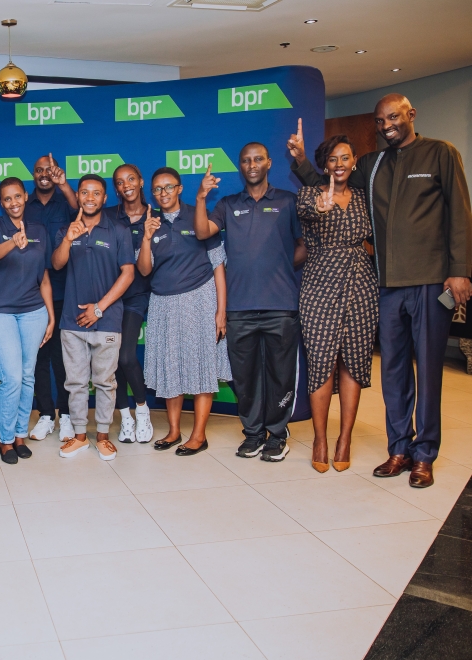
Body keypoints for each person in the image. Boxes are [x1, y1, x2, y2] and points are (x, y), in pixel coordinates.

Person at [289, 94, 472, 488]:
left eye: (393, 116)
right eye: (379, 120)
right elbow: (329, 186)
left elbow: (460, 213)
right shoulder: (371, 165)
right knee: (392, 372)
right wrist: (303, 161)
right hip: (385, 285)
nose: (386, 124)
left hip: (429, 280)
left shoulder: (441, 153)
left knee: (428, 371)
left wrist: (460, 272)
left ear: (411, 114)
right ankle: (399, 448)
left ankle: (425, 454)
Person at [193, 144, 307, 463]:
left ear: (269, 163)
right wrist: (201, 197)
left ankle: (278, 435)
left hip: (280, 306)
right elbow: (203, 231)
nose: (252, 164)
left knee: (279, 374)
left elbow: (304, 245)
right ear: (240, 167)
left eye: (258, 159)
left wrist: (282, 265)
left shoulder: (287, 201)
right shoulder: (229, 204)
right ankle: (254, 434)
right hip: (239, 308)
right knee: (243, 376)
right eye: (246, 161)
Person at [295, 135, 379, 473]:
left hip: (361, 285)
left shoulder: (364, 197)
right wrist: (320, 206)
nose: (339, 164)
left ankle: (344, 437)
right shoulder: (310, 194)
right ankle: (320, 438)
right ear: (324, 165)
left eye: (345, 158)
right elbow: (304, 210)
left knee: (354, 362)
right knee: (321, 362)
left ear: (354, 161)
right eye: (333, 159)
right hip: (319, 286)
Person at [138, 167, 231, 456]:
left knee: (202, 367)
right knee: (169, 369)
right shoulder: (150, 224)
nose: (163, 193)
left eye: (169, 187)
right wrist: (145, 237)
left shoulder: (198, 215)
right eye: (157, 189)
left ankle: (199, 435)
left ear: (180, 189)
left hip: (200, 300)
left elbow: (218, 265)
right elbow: (143, 270)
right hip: (163, 302)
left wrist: (221, 311)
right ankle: (175, 431)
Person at [52, 175, 134, 461]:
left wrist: (98, 308)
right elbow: (57, 264)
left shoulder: (119, 230)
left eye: (96, 193)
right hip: (72, 323)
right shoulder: (68, 228)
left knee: (104, 381)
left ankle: (102, 436)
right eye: (84, 192)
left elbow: (129, 273)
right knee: (74, 382)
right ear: (78, 195)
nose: (89, 197)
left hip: (107, 319)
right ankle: (78, 436)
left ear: (104, 198)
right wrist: (68, 239)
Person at [0, 177, 55, 464]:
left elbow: (44, 276)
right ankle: (6, 439)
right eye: (7, 199)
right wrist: (11, 241)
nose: (13, 202)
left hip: (33, 311)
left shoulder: (39, 230)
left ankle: (20, 434)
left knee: (28, 375)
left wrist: (50, 315)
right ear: (1, 202)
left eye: (17, 196)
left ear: (25, 196)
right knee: (12, 377)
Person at [25, 154, 79, 443]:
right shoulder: (25, 204)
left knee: (64, 357)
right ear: (33, 175)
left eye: (49, 170)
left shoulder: (65, 202)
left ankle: (67, 415)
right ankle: (46, 414)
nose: (44, 174)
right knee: (38, 357)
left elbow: (82, 210)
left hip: (64, 290)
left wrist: (65, 185)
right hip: (31, 293)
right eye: (38, 170)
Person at [108, 164, 155, 444]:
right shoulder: (107, 217)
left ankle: (142, 410)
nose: (126, 185)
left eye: (131, 179)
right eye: (120, 182)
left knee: (126, 356)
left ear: (140, 182)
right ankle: (125, 417)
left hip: (138, 295)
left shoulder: (154, 216)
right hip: (111, 297)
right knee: (113, 362)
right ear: (115, 189)